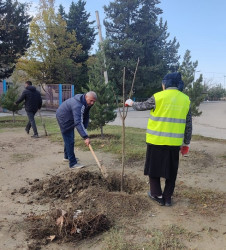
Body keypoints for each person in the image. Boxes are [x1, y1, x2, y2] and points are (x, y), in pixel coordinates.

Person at [125, 72, 192, 206]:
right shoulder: (186, 100)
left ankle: (156, 195)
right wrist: (186, 143)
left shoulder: (158, 97)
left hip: (156, 141)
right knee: (171, 172)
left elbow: (141, 106)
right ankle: (167, 198)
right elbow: (188, 124)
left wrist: (130, 102)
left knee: (153, 169)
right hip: (174, 144)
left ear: (165, 84)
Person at [56, 91, 97, 169]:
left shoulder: (86, 102)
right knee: (69, 140)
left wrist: (84, 127)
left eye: (94, 101)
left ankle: (67, 157)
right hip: (63, 118)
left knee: (69, 139)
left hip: (69, 116)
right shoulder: (78, 105)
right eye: (91, 100)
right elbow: (78, 122)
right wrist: (85, 137)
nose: (92, 103)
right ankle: (73, 163)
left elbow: (86, 115)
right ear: (86, 97)